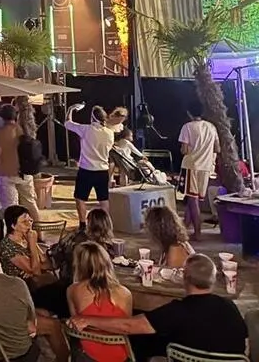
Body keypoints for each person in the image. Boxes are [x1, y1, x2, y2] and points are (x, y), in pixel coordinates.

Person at [70, 253, 247, 357]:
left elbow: (128, 326)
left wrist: (88, 320)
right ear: (213, 280)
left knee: (145, 343)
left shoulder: (177, 311)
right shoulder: (230, 307)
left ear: (185, 279)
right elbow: (245, 345)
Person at [65, 241, 132, 362]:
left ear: (78, 265)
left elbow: (76, 325)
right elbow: (127, 330)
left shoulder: (72, 290)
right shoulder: (126, 294)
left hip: (88, 356)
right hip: (120, 357)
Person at [65, 104, 114, 226]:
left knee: (80, 198)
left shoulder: (86, 129)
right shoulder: (110, 133)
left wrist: (71, 109)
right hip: (102, 170)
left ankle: (82, 225)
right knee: (103, 199)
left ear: (92, 118)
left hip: (86, 170)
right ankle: (106, 225)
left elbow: (67, 123)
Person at [0, 105, 40, 220]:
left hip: (7, 173)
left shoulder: (0, 133)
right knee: (30, 203)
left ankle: (14, 230)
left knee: (11, 207)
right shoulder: (24, 130)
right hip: (25, 172)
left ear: (2, 118)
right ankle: (38, 229)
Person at [179, 107, 218, 240]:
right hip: (206, 167)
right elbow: (217, 148)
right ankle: (185, 226)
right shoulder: (211, 127)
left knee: (192, 199)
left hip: (192, 165)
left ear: (189, 113)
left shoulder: (187, 127)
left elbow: (184, 150)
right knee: (195, 198)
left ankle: (197, 232)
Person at [51, 208, 117, 286]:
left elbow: (54, 257)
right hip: (97, 285)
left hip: (69, 282)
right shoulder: (107, 248)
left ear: (89, 223)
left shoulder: (74, 237)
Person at [0, 206, 49, 285]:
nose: (29, 224)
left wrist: (32, 270)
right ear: (13, 226)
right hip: (19, 286)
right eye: (24, 222)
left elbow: (46, 264)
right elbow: (36, 272)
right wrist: (32, 244)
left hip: (35, 282)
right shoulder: (8, 246)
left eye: (30, 221)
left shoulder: (26, 238)